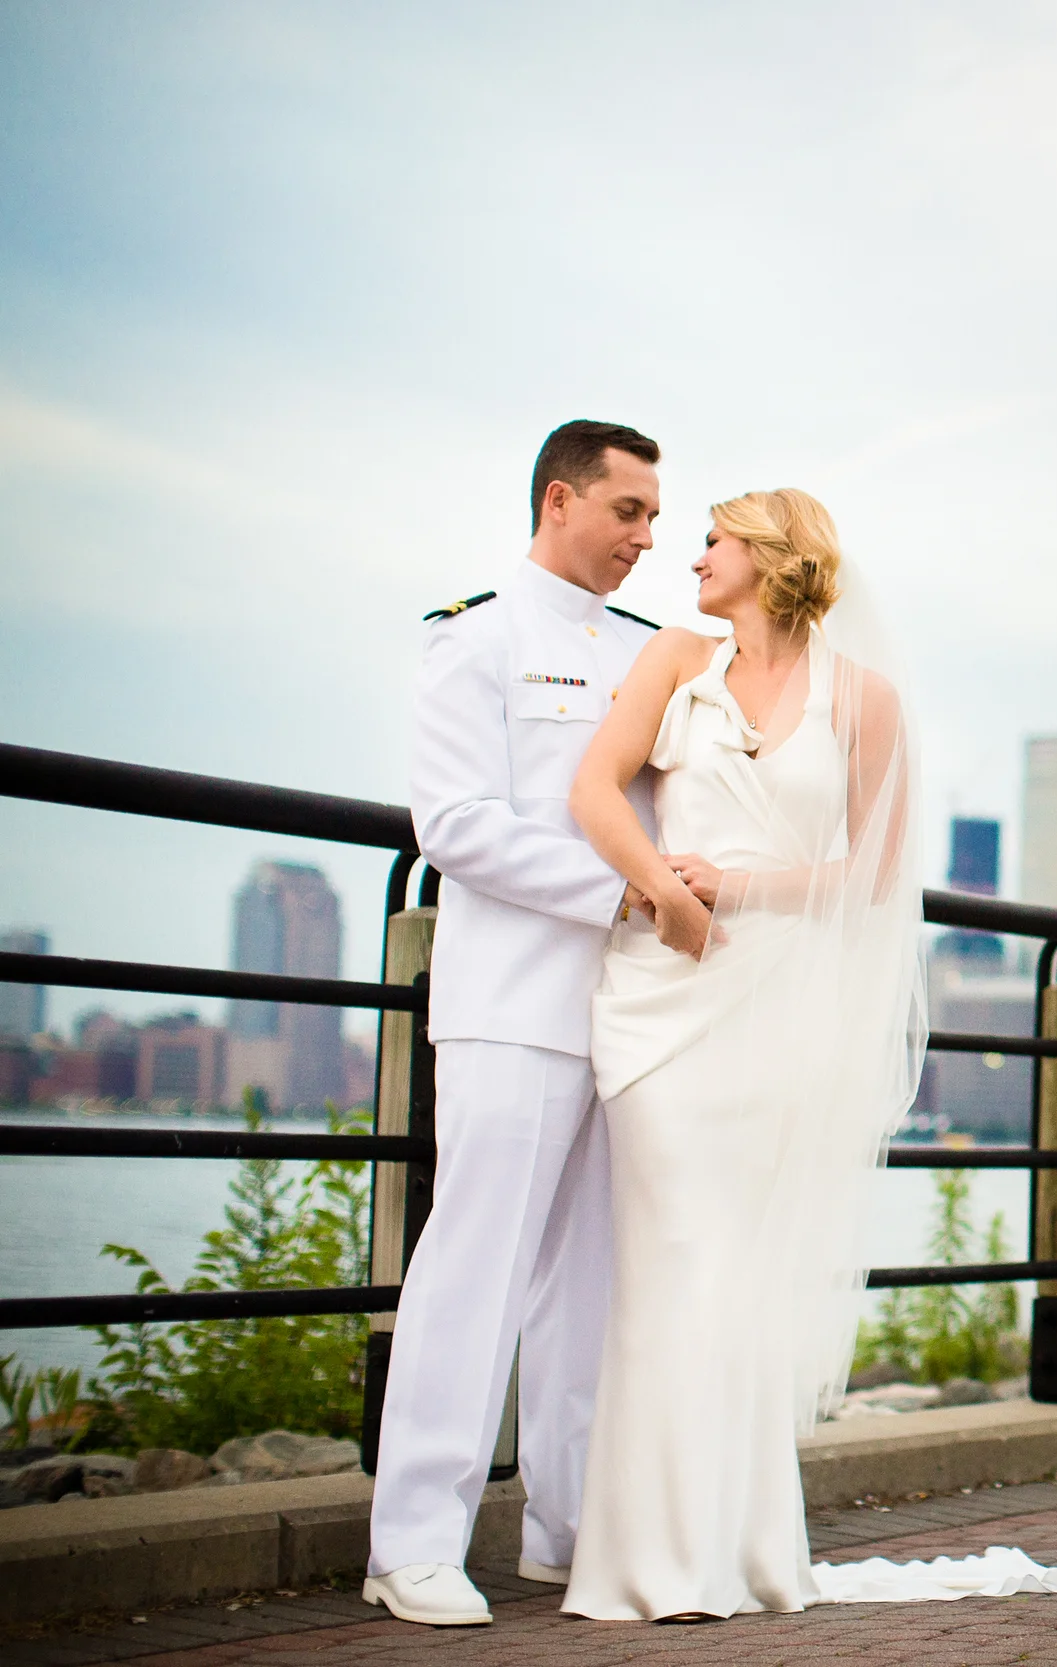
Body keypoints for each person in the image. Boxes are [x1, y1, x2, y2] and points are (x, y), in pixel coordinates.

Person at [561, 486, 1057, 1621]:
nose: (689, 555)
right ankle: (644, 1559)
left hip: (781, 1005)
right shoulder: (675, 661)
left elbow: (877, 879)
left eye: (711, 538)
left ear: (770, 552)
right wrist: (669, 895)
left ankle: (733, 1552)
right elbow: (593, 792)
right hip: (662, 997)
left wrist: (741, 885)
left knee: (734, 1268)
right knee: (670, 1257)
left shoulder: (867, 699)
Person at [365, 420, 666, 1626]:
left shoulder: (653, 652)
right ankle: (412, 1542)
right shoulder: (475, 638)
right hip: (514, 1004)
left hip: (631, 1013)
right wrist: (627, 889)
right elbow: (458, 825)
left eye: (656, 517)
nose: (648, 538)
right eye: (629, 511)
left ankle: (566, 1525)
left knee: (593, 1282)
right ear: (559, 500)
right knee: (473, 1271)